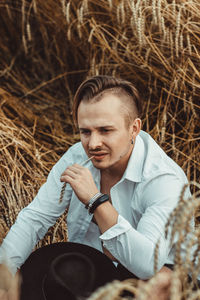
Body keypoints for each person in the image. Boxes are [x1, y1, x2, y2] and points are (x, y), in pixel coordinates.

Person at [0, 75, 192, 297]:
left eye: (105, 130)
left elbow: (148, 265)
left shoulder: (164, 179)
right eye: (85, 131)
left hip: (157, 275)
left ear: (134, 128)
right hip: (92, 270)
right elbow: (35, 218)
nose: (93, 144)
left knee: (159, 284)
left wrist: (96, 200)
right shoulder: (77, 156)